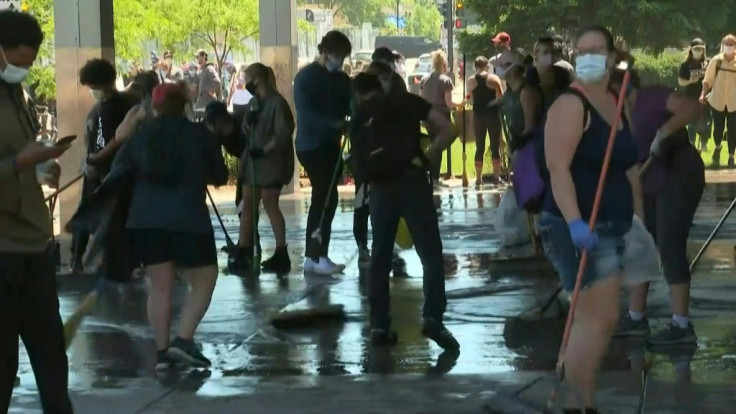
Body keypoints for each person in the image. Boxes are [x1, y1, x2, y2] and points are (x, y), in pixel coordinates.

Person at [538, 25, 640, 411]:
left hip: (612, 223)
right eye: (582, 51)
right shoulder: (570, 103)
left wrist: (639, 219)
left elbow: (626, 165)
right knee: (597, 320)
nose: (590, 56)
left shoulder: (616, 99)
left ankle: (579, 402)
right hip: (575, 224)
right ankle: (576, 404)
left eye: (597, 49)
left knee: (594, 320)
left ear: (613, 57)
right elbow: (557, 168)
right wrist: (576, 223)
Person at [111, 83, 227, 370]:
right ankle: (184, 340)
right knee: (205, 277)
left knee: (160, 286)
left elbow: (119, 170)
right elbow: (220, 176)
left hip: (145, 220)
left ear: (155, 105)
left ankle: (162, 354)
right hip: (189, 219)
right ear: (185, 103)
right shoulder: (199, 134)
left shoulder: (140, 135)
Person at [352, 62, 459, 351]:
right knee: (430, 254)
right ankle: (433, 317)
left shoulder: (362, 111)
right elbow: (448, 130)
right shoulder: (410, 102)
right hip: (412, 182)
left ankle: (379, 325)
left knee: (380, 257)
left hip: (380, 189)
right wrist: (428, 154)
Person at [0, 10, 74, 413]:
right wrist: (17, 165)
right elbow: (13, 161)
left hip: (33, 248)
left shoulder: (18, 96)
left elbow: (21, 156)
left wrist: (41, 167)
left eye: (29, 64)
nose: (24, 71)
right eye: (19, 62)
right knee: (2, 365)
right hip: (2, 252)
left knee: (51, 359)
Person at [610, 69, 705, 346]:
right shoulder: (615, 115)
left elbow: (692, 108)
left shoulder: (652, 98)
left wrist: (665, 131)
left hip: (679, 173)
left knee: (669, 243)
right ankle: (636, 318)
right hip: (647, 180)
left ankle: (681, 325)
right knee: (641, 241)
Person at [294, 30, 352, 275]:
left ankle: (317, 255)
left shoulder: (341, 79)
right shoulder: (305, 78)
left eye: (344, 57)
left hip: (330, 145)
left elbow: (350, 103)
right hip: (311, 145)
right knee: (323, 197)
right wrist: (335, 124)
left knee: (328, 198)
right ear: (325, 52)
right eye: (338, 56)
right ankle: (315, 256)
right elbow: (307, 115)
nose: (340, 62)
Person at [230, 63, 295, 274]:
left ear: (256, 80)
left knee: (270, 204)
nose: (244, 82)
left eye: (247, 78)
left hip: (271, 163)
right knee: (248, 205)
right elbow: (246, 130)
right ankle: (243, 248)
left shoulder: (277, 103)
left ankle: (280, 251)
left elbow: (283, 132)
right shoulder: (253, 103)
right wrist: (248, 122)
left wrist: (266, 149)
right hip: (253, 163)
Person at [70, 58, 133, 273]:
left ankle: (91, 259)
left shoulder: (116, 106)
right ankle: (80, 258)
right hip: (100, 166)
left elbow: (116, 139)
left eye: (92, 86)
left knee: (96, 214)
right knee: (93, 213)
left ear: (104, 83)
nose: (91, 91)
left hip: (108, 168)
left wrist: (95, 159)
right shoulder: (105, 105)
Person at [87, 71, 159, 164]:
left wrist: (95, 157)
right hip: (112, 160)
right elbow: (119, 137)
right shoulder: (136, 108)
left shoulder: (108, 104)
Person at [420, 49, 463, 185]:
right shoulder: (446, 81)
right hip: (442, 119)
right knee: (443, 142)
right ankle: (434, 176)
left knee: (436, 144)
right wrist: (461, 103)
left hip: (428, 118)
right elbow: (449, 103)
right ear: (444, 65)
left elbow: (422, 99)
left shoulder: (424, 79)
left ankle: (430, 173)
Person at [465, 56, 503, 186]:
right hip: (493, 116)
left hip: (478, 116)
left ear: (475, 67)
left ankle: (478, 178)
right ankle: (497, 178)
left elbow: (469, 98)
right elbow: (500, 97)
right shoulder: (494, 79)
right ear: (487, 66)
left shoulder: (470, 81)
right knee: (495, 147)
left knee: (479, 147)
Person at [701, 34, 736, 166]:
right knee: (718, 128)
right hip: (717, 100)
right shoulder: (716, 61)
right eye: (726, 44)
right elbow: (707, 80)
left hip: (734, 102)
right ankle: (717, 147)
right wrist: (703, 94)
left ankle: (731, 155)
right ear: (722, 45)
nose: (728, 47)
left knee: (733, 129)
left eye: (731, 44)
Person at [497, 63, 542, 153]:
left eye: (504, 65)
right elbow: (498, 101)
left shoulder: (526, 92)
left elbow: (530, 128)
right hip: (519, 147)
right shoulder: (510, 91)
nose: (499, 68)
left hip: (529, 148)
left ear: (514, 69)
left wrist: (519, 146)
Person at [677, 39, 710, 152]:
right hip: (690, 97)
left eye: (701, 49)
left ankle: (704, 143)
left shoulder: (708, 63)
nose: (698, 51)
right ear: (691, 50)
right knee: (691, 123)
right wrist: (690, 81)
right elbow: (680, 81)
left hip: (706, 97)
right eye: (696, 49)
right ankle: (691, 144)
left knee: (705, 122)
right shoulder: (685, 65)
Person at [527, 37, 574, 112]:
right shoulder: (529, 76)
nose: (550, 56)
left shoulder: (562, 74)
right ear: (536, 54)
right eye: (545, 52)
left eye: (552, 52)